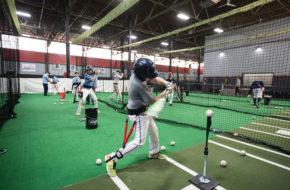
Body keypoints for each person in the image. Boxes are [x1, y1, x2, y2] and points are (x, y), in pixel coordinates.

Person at [105, 58, 173, 177]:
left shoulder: (138, 74)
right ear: (143, 74)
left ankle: (154, 153)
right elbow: (151, 102)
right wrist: (165, 93)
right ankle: (113, 158)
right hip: (138, 114)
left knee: (154, 130)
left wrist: (167, 83)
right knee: (139, 142)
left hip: (142, 110)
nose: (150, 77)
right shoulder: (139, 85)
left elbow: (154, 78)